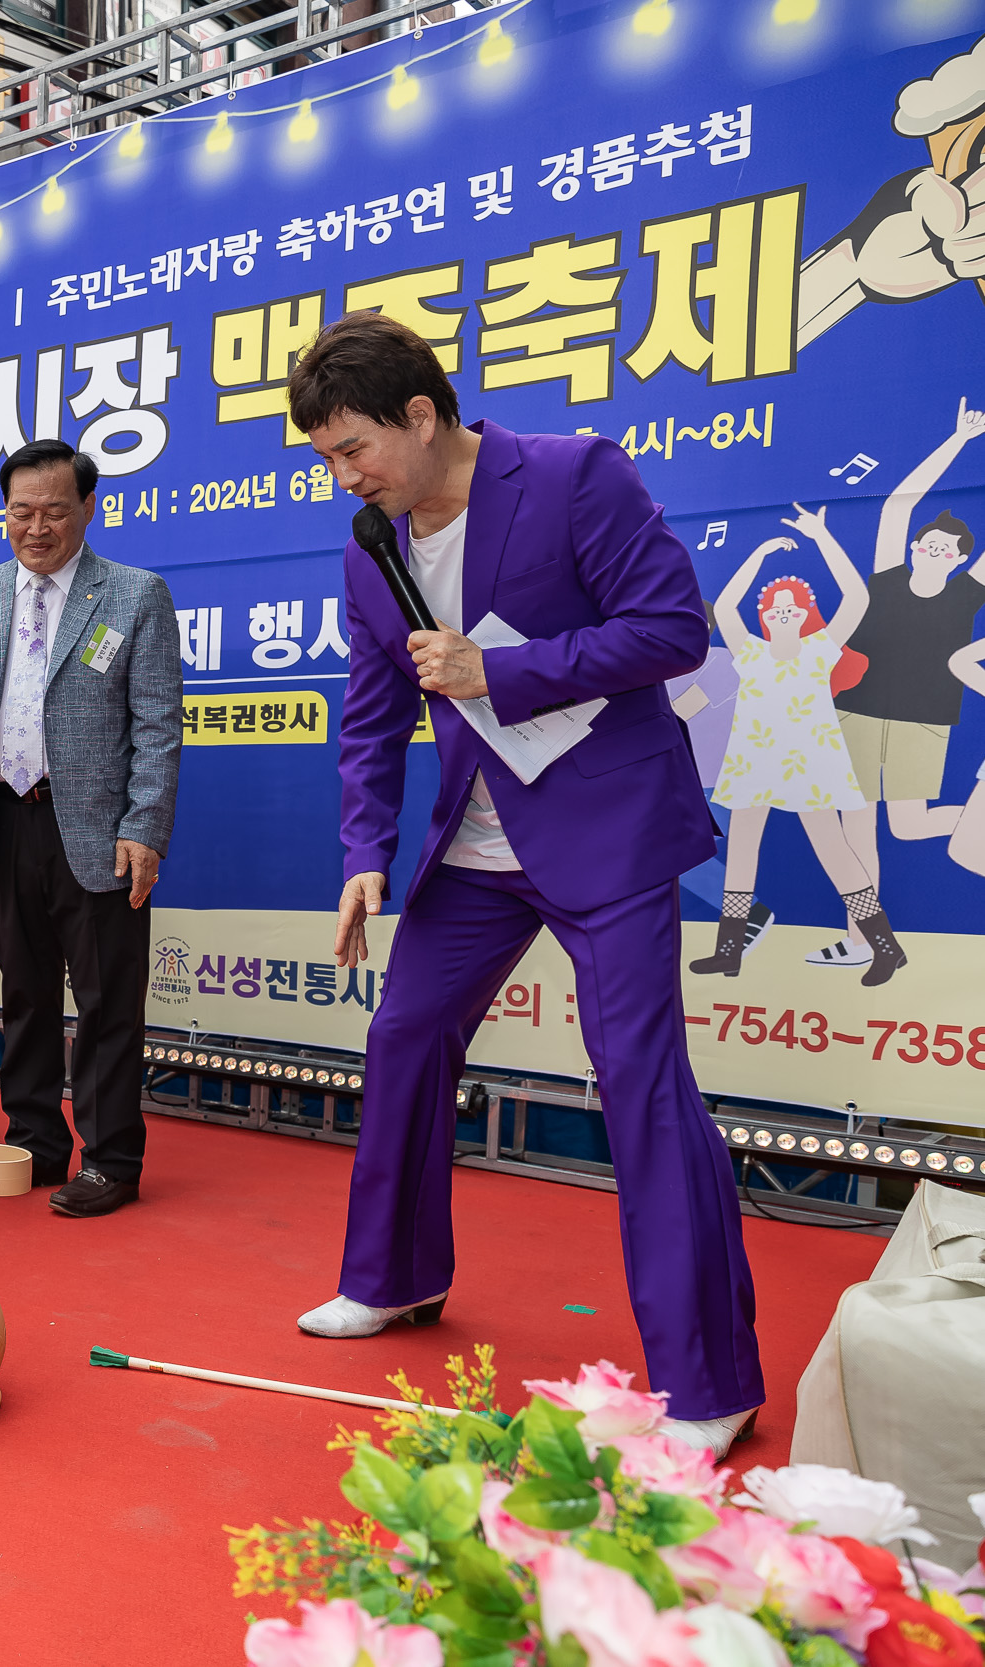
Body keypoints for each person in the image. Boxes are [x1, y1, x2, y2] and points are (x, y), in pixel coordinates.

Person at [293, 311, 762, 1456]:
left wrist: (497, 671)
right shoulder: (372, 541)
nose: (342, 477)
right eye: (324, 460)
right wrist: (365, 852)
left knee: (642, 1084)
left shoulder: (571, 476)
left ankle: (711, 1382)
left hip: (605, 836)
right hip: (475, 848)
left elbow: (670, 630)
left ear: (419, 413)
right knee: (403, 1036)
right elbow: (371, 711)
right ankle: (392, 1275)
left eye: (352, 448)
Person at [0, 439, 182, 1215]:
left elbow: (159, 725)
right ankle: (34, 1140)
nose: (37, 527)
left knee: (106, 997)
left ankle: (111, 1158)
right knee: (27, 993)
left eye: (55, 511)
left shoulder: (134, 595)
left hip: (100, 831)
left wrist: (145, 826)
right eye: (21, 512)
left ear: (88, 509)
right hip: (1, 819)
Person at [815, 399, 985, 970]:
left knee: (908, 827)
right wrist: (959, 441)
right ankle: (863, 942)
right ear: (915, 547)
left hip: (924, 719)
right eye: (928, 543)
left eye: (948, 549)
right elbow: (897, 504)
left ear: (963, 560)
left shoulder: (968, 593)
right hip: (859, 712)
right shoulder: (887, 575)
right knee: (856, 830)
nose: (934, 549)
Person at [691, 519, 890, 982]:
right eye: (775, 606)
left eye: (793, 607)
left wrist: (823, 536)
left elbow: (857, 597)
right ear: (763, 613)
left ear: (806, 613)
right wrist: (758, 556)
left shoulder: (821, 648)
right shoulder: (750, 652)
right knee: (741, 848)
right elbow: (723, 604)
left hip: (808, 764)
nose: (783, 612)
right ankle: (729, 949)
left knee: (832, 848)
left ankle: (883, 946)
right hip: (754, 762)